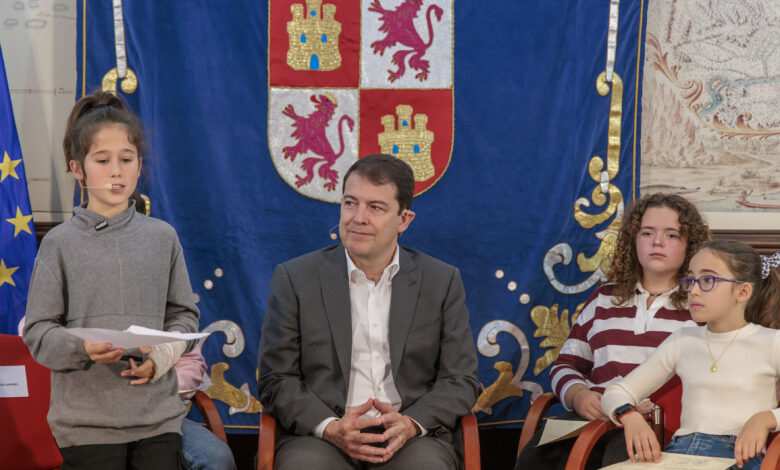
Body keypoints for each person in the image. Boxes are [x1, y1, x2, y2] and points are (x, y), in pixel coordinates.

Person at [258, 154, 479, 470]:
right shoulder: (295, 279)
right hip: (321, 436)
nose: (358, 218)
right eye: (350, 203)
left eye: (375, 207)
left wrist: (411, 424)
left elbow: (460, 379)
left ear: (404, 220)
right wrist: (330, 427)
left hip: (410, 437)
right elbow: (276, 379)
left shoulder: (441, 281)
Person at [23, 91, 199, 470]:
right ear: (78, 169)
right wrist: (82, 347)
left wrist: (160, 357)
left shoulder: (162, 237)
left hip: (158, 421)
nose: (116, 172)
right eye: (103, 161)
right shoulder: (59, 243)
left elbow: (184, 316)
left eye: (126, 159)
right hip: (86, 427)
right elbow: (38, 333)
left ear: (139, 165)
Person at [515, 193, 710, 470]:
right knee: (536, 457)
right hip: (591, 418)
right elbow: (565, 365)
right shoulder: (604, 299)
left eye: (672, 235)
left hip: (654, 426)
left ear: (690, 245)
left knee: (618, 459)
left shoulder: (700, 306)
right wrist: (578, 395)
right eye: (647, 233)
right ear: (633, 239)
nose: (657, 242)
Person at [602, 241, 780, 469]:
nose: (693, 291)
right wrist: (629, 415)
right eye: (690, 280)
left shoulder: (771, 341)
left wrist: (766, 418)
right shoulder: (682, 340)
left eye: (707, 280)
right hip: (677, 454)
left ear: (743, 292)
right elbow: (617, 392)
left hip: (738, 458)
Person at [176, 343, 237, 470]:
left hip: (167, 416)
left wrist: (161, 385)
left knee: (218, 458)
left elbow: (192, 364)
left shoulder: (178, 330)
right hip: (130, 417)